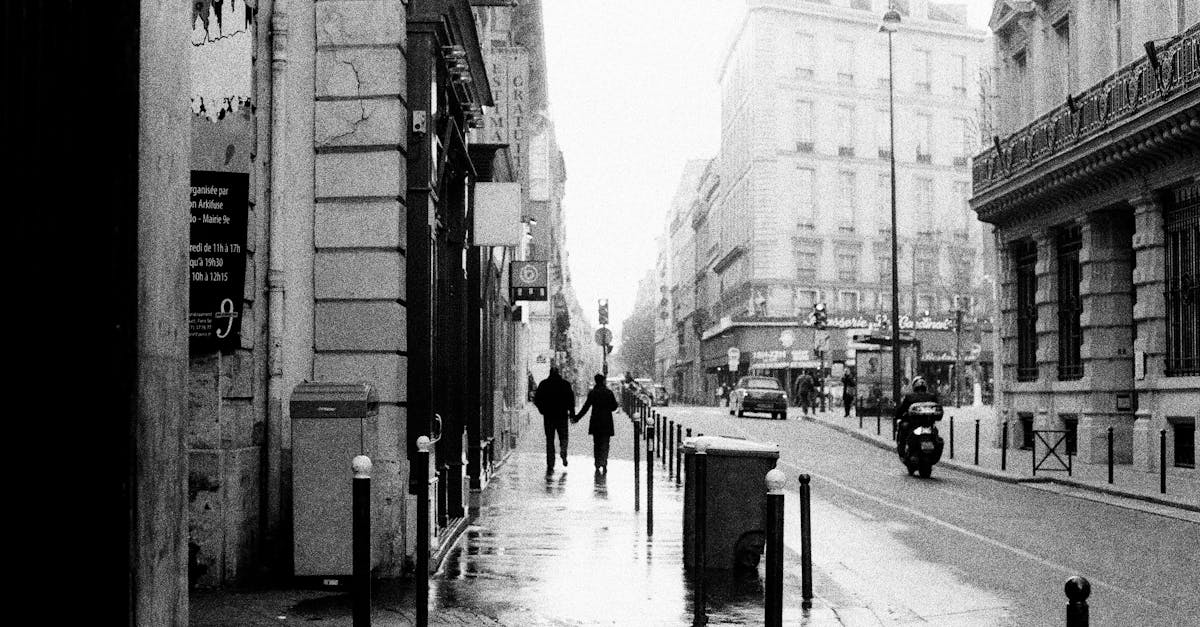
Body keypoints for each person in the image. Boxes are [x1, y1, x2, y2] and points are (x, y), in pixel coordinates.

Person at [575, 373, 619, 474]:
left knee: (597, 443)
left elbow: (586, 407)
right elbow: (614, 407)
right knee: (605, 443)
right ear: (603, 381)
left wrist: (577, 417)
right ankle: (604, 461)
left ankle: (597, 462)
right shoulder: (609, 392)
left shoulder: (593, 393)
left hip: (596, 421)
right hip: (607, 422)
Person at [534, 367, 576, 474]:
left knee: (550, 440)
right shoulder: (565, 384)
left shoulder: (544, 384)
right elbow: (571, 400)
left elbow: (537, 399)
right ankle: (563, 452)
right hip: (562, 416)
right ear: (559, 373)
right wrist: (572, 414)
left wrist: (542, 410)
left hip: (549, 416)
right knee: (564, 436)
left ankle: (550, 463)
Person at [895, 376, 940, 457]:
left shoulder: (909, 397)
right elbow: (938, 410)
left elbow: (901, 410)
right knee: (936, 434)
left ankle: (902, 452)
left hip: (914, 425)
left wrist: (898, 417)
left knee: (903, 430)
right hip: (928, 425)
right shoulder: (932, 396)